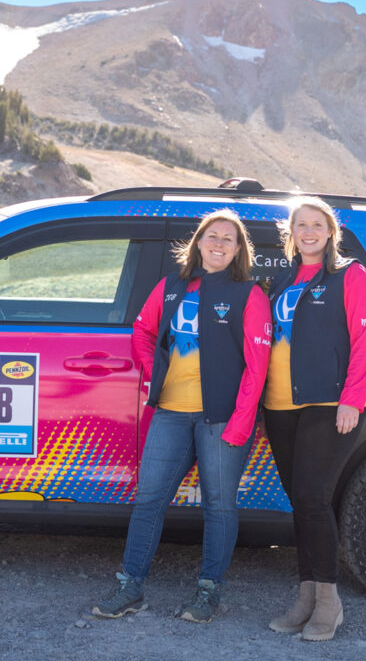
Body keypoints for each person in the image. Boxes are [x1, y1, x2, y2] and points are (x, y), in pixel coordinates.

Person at [92, 209, 272, 623]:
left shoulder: (250, 295)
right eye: (213, 235)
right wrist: (155, 372)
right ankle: (129, 586)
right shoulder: (172, 286)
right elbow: (142, 330)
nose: (220, 243)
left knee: (219, 506)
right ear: (199, 242)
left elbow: (257, 366)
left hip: (222, 419)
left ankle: (208, 592)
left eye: (230, 238)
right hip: (170, 414)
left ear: (239, 249)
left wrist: (242, 421)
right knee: (149, 501)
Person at [264, 196, 366, 641]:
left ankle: (328, 603)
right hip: (279, 405)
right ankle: (306, 597)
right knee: (301, 503)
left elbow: (365, 338)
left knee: (313, 497)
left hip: (328, 403)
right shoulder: (284, 278)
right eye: (300, 225)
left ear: (330, 231)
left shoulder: (350, 275)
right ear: (290, 233)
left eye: (316, 224)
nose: (308, 232)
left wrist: (352, 399)